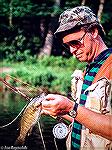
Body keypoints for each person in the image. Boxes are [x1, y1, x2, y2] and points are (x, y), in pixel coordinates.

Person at [41, 6, 112, 150]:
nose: (72, 50)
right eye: (68, 45)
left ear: (93, 31)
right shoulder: (89, 68)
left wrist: (70, 106)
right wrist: (59, 109)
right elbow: (85, 117)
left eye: (75, 42)